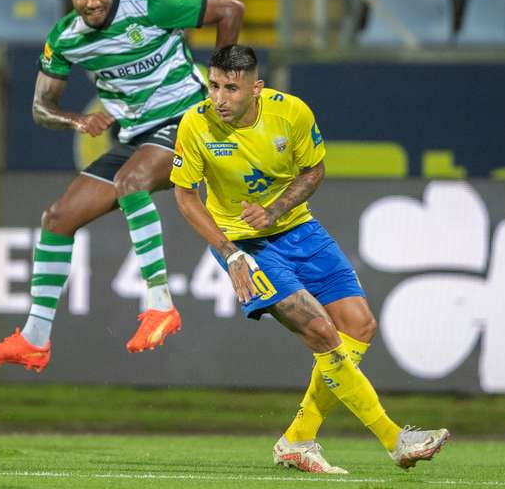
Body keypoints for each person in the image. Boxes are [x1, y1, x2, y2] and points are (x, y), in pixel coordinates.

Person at [171, 44, 450, 474]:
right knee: (322, 331)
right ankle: (396, 439)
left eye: (231, 87)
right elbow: (185, 196)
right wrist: (229, 255)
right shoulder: (196, 124)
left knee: (359, 325)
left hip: (298, 229)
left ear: (256, 89)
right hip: (245, 246)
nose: (219, 98)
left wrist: (275, 210)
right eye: (213, 86)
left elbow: (314, 170)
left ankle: (298, 439)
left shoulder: (292, 114)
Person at [0, 0, 245, 370]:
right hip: (138, 136)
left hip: (190, 120)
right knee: (58, 218)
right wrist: (75, 120)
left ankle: (160, 304)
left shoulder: (151, 6)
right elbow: (41, 108)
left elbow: (231, 10)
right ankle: (34, 338)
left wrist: (222, 82)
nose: (94, 2)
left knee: (131, 182)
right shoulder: (66, 39)